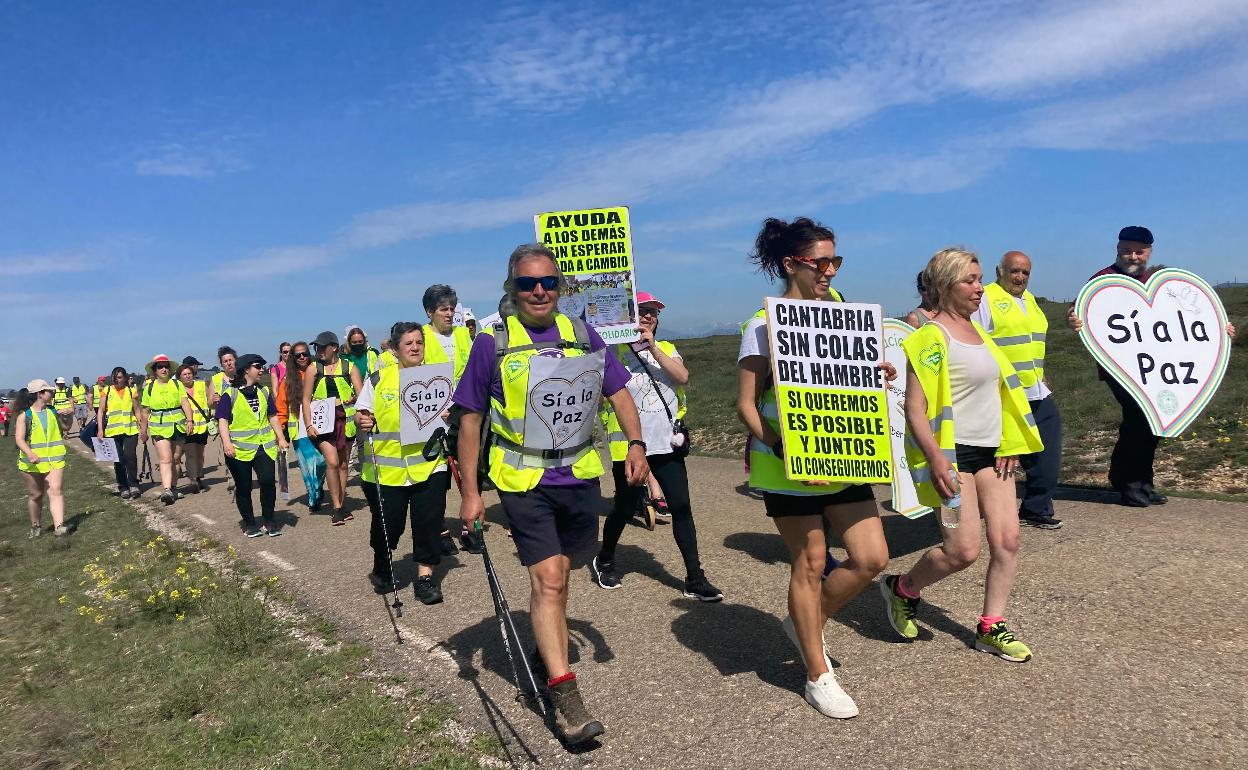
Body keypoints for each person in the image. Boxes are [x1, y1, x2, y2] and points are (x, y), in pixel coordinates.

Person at [454, 243, 649, 745]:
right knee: (548, 580)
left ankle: (548, 647)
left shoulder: (584, 334)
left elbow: (618, 391)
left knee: (563, 576)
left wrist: (636, 444)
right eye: (526, 283)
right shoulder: (490, 344)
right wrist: (471, 493)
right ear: (512, 289)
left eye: (547, 282)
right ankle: (565, 699)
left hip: (579, 474)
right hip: (523, 480)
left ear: (560, 287)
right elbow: (470, 419)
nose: (538, 291)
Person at [737, 217, 893, 719]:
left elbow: (846, 380)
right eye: (821, 261)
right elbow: (745, 404)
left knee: (872, 558)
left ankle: (806, 622)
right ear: (791, 265)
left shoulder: (844, 313)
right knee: (808, 562)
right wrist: (782, 446)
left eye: (835, 260)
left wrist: (879, 371)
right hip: (790, 465)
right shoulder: (762, 325)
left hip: (845, 455)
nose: (830, 270)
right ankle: (817, 674)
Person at [880, 247, 1044, 663]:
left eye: (978, 279)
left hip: (994, 454)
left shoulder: (983, 334)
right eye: (969, 281)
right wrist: (935, 459)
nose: (979, 287)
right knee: (962, 551)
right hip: (954, 458)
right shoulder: (932, 338)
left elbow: (1003, 396)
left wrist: (1012, 444)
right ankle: (903, 588)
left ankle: (991, 626)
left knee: (1008, 539)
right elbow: (913, 408)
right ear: (945, 286)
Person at [1067, 226, 1236, 507]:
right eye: (1126, 250)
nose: (1132, 256)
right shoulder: (1103, 279)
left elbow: (1187, 319)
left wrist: (1219, 329)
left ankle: (1138, 481)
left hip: (1158, 372)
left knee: (1152, 423)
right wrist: (1072, 318)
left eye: (1139, 251)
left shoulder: (1159, 281)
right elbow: (1078, 309)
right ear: (1117, 249)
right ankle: (1131, 484)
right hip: (1120, 371)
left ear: (1149, 252)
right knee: (1140, 420)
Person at [593, 291, 721, 601]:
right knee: (624, 508)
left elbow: (683, 376)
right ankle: (605, 557)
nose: (648, 316)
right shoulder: (614, 353)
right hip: (629, 446)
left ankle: (694, 577)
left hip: (667, 445)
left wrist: (653, 348)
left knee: (681, 508)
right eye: (641, 311)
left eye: (652, 312)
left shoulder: (667, 348)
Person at [356, 321, 450, 605]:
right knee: (389, 526)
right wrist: (362, 420)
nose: (415, 347)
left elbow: (454, 411)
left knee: (428, 523)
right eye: (408, 343)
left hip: (430, 464)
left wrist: (450, 416)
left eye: (419, 342)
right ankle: (382, 566)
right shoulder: (377, 379)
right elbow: (361, 414)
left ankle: (425, 578)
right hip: (387, 471)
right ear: (395, 350)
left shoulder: (440, 378)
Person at [971, 251, 1063, 529]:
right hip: (1005, 393)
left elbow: (1030, 342)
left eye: (1025, 272)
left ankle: (1036, 509)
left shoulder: (1031, 301)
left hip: (1036, 390)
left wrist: (1041, 373)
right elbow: (977, 341)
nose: (1020, 277)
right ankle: (987, 513)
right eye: (1014, 271)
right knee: (1001, 456)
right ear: (1000, 271)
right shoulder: (987, 298)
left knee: (1048, 451)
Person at [423, 284, 475, 554]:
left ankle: (470, 527)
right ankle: (441, 529)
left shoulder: (463, 335)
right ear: (430, 311)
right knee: (439, 477)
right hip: (434, 416)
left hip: (462, 411)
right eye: (444, 309)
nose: (449, 313)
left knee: (469, 471)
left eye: (452, 308)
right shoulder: (420, 336)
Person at [217, 353, 290, 537]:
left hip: (264, 447)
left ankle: (269, 520)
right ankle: (249, 523)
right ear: (246, 370)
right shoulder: (230, 394)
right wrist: (227, 443)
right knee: (244, 487)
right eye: (257, 366)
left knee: (267, 482)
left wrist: (281, 438)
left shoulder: (264, 392)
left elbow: (272, 416)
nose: (261, 370)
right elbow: (223, 420)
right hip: (238, 450)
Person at [304, 330, 363, 523]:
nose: (319, 350)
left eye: (322, 347)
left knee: (344, 464)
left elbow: (362, 395)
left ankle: (342, 501)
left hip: (345, 421)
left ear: (334, 347)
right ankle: (336, 507)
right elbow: (305, 399)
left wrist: (355, 398)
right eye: (317, 347)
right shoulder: (314, 369)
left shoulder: (349, 367)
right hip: (322, 423)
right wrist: (308, 424)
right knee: (332, 462)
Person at [14, 382, 74, 537]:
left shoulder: (53, 412)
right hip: (31, 464)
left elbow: (66, 428)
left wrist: (68, 416)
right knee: (36, 495)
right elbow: (19, 439)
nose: (51, 393)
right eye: (48, 391)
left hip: (55, 460)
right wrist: (30, 453)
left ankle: (59, 527)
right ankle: (36, 525)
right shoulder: (25, 416)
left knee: (56, 491)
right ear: (39, 393)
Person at [141, 354, 195, 504]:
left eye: (166, 366)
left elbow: (185, 403)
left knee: (176, 459)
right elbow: (145, 411)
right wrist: (143, 431)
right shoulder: (149, 388)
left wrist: (190, 420)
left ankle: (173, 487)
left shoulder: (177, 385)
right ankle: (167, 490)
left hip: (178, 425)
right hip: (158, 427)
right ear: (155, 370)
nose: (164, 369)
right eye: (160, 367)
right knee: (165, 459)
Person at [282, 341, 326, 510]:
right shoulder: (288, 381)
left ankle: (318, 485)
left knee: (323, 462)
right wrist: (281, 433)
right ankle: (313, 496)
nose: (301, 357)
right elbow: (281, 407)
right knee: (307, 466)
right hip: (299, 431)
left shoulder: (319, 373)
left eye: (305, 354)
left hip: (321, 425)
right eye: (297, 355)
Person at [97, 366, 143, 498]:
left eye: (120, 377)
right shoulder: (107, 391)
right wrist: (100, 430)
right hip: (113, 431)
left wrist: (143, 427)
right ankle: (123, 486)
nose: (118, 380)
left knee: (130, 457)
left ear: (125, 378)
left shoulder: (131, 391)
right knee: (118, 460)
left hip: (130, 430)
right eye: (115, 377)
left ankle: (133, 484)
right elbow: (100, 411)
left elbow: (137, 410)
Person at [176, 363, 210, 493]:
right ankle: (193, 480)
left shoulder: (201, 385)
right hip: (187, 427)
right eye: (184, 374)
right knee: (190, 454)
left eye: (189, 373)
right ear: (180, 377)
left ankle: (199, 475)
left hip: (202, 427)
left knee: (199, 454)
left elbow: (209, 401)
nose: (187, 376)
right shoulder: (177, 388)